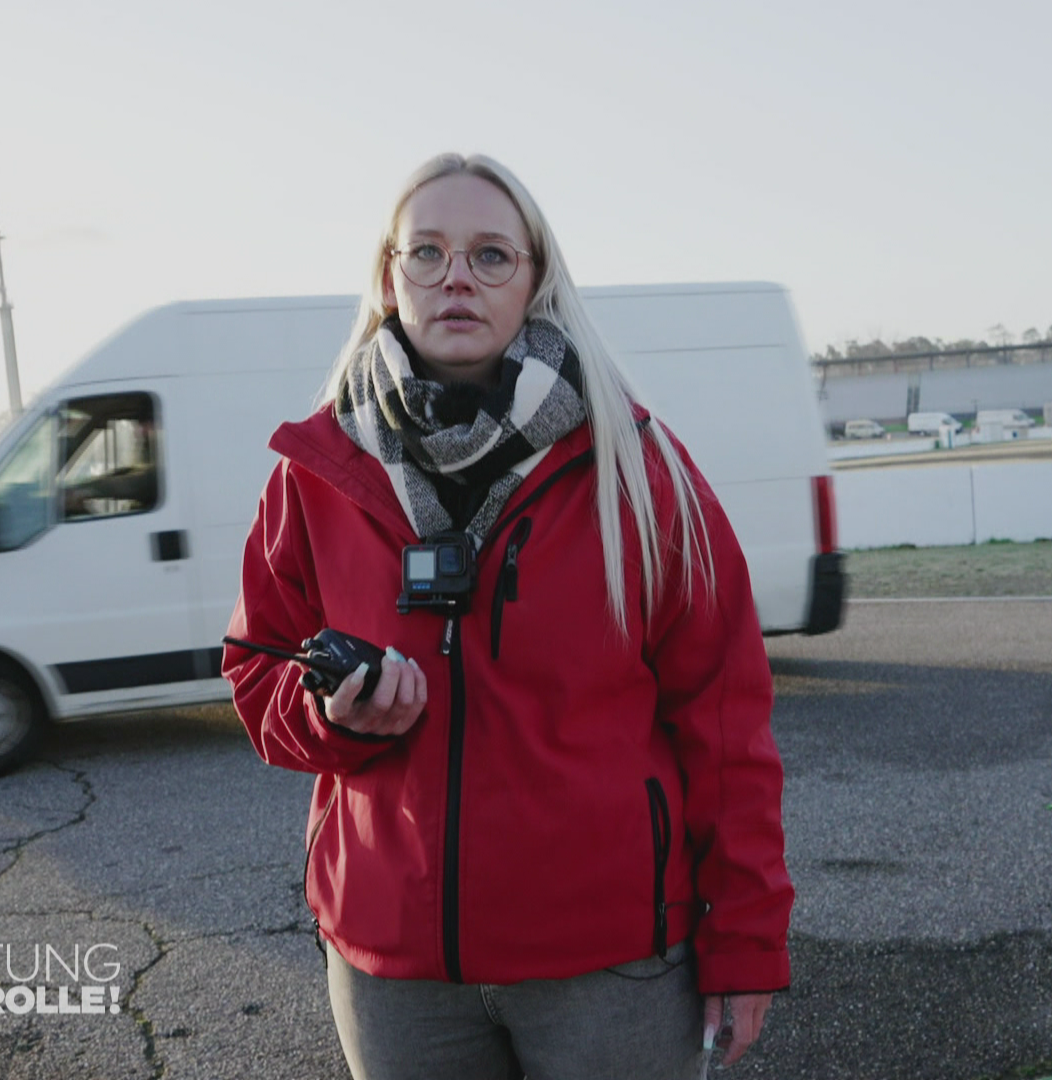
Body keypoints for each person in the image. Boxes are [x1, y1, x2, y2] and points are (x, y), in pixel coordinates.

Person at [222, 153, 793, 1080]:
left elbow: (725, 724)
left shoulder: (637, 470)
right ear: (388, 274)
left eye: (491, 255)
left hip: (611, 970)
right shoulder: (316, 471)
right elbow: (256, 674)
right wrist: (334, 716)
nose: (457, 277)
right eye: (428, 252)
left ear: (535, 279)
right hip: (395, 971)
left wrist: (747, 941)